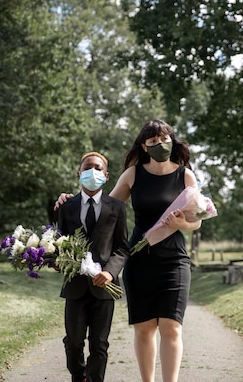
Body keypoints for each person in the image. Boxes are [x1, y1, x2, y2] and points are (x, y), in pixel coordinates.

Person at [55, 120, 201, 382]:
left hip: (175, 261)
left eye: (164, 139)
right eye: (153, 141)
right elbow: (104, 207)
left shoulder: (185, 175)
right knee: (144, 329)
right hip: (139, 261)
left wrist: (182, 224)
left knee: (172, 327)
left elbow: (197, 220)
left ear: (172, 140)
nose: (159, 145)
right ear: (144, 147)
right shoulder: (133, 174)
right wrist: (70, 199)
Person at [57, 151, 130, 382]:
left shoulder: (117, 207)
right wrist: (59, 262)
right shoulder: (66, 207)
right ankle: (79, 376)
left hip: (104, 289)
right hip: (75, 287)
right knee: (73, 342)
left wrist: (110, 272)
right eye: (88, 168)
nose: (93, 172)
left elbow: (122, 248)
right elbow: (60, 243)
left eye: (98, 168)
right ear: (79, 174)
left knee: (99, 344)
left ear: (106, 176)